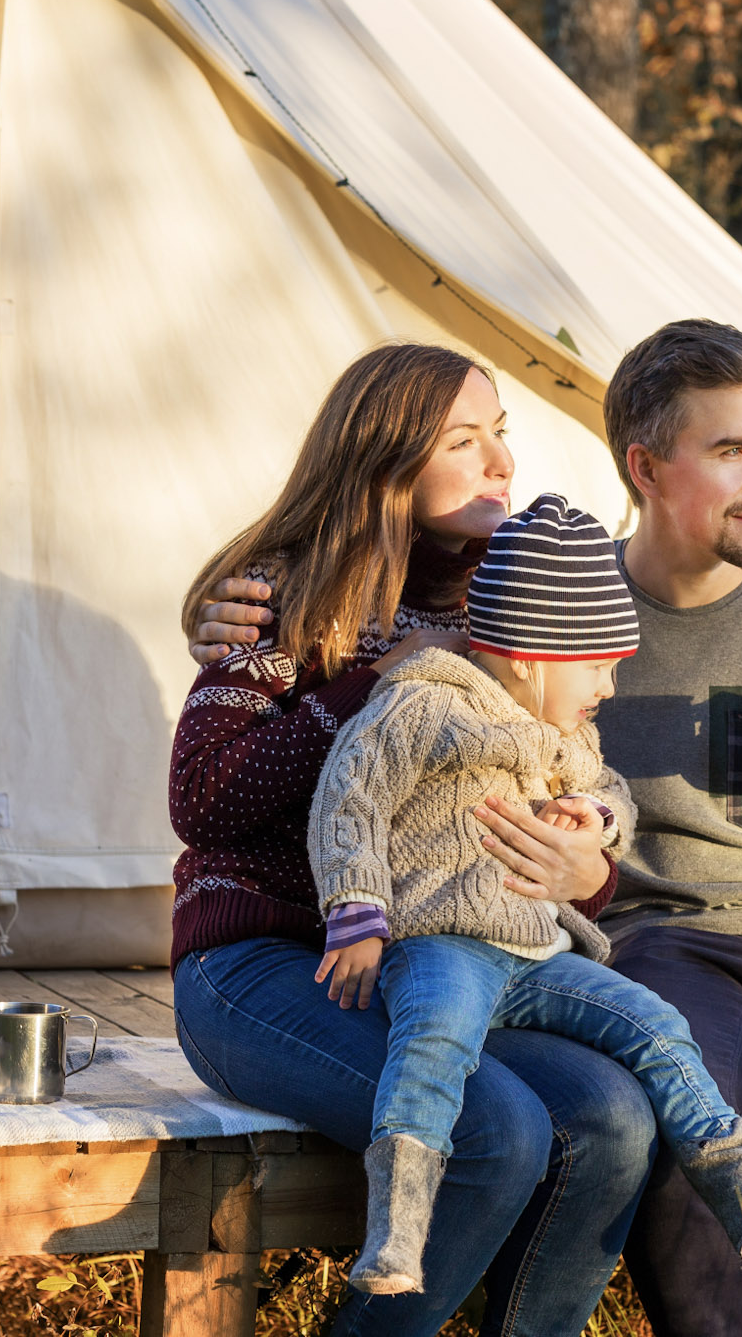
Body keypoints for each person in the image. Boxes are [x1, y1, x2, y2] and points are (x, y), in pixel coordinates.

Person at [193, 321, 742, 1337]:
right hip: (632, 938)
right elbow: (355, 744)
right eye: (731, 449)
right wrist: (293, 642)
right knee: (632, 1148)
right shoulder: (538, 603)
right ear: (645, 468)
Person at [168, 343, 658, 1337]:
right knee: (495, 1129)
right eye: (463, 441)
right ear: (385, 461)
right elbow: (205, 798)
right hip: (259, 961)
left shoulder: (510, 597)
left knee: (613, 1119)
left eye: (500, 435)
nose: (501, 463)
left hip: (442, 961)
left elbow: (555, 791)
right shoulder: (283, 598)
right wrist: (374, 680)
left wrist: (586, 866)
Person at [308, 494, 742, 1296]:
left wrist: (596, 814)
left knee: (655, 1021)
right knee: (434, 1045)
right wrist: (357, 910)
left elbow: (614, 790)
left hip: (537, 952)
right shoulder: (423, 705)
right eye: (599, 664)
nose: (610, 685)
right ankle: (396, 1233)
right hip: (442, 942)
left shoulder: (568, 735)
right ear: (530, 655)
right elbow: (348, 797)